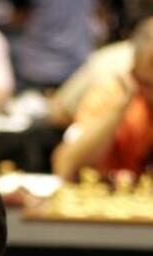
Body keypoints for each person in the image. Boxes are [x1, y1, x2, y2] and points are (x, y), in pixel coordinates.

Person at [52, 17, 153, 181]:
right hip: (113, 196)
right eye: (147, 84)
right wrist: (118, 111)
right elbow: (65, 166)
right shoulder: (114, 93)